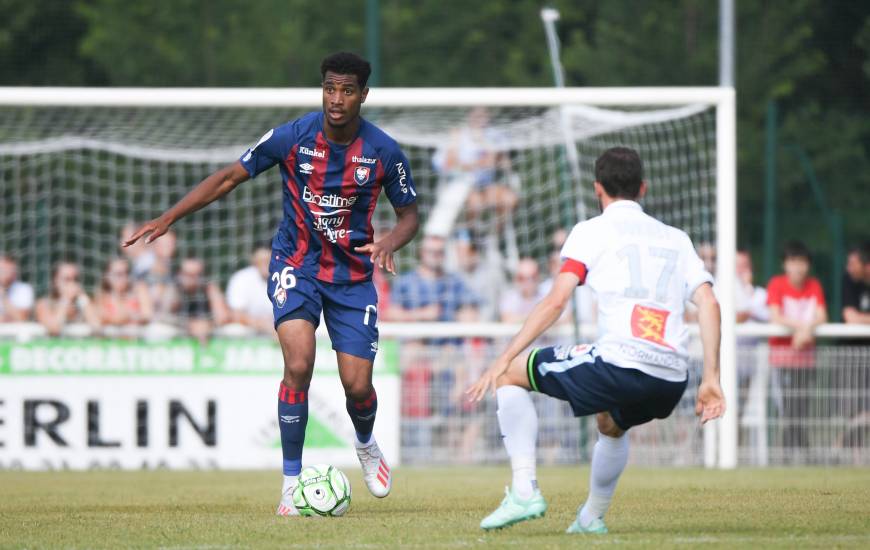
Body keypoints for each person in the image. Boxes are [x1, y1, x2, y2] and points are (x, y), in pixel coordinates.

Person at [124, 52, 419, 516]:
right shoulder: (294, 137)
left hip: (352, 276)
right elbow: (227, 179)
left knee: (357, 385)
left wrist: (390, 243)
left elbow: (410, 214)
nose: (336, 99)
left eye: (347, 90)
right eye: (329, 88)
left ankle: (365, 442)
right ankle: (290, 484)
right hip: (296, 265)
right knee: (299, 364)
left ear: (363, 95)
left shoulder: (383, 151)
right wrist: (168, 217)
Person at [467, 147, 724, 534]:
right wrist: (711, 379)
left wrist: (502, 358)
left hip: (620, 364)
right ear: (643, 188)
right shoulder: (677, 238)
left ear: (597, 189)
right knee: (609, 423)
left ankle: (523, 490)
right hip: (671, 379)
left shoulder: (590, 231)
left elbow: (556, 301)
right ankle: (590, 519)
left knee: (510, 376)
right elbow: (708, 302)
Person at [766, 241, 827, 455]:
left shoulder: (814, 286)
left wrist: (805, 330)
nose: (798, 267)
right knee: (788, 410)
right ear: (785, 264)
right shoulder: (777, 284)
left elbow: (821, 315)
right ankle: (794, 451)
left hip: (805, 359)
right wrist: (802, 328)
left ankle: (797, 452)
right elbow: (776, 315)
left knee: (801, 408)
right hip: (783, 359)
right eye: (793, 261)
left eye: (801, 262)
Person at [432, 106, 518, 229]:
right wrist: (468, 164)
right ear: (469, 116)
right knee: (475, 203)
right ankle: (471, 236)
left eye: (483, 115)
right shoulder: (457, 135)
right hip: (461, 185)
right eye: (477, 115)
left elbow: (495, 160)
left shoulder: (494, 135)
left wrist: (482, 143)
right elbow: (443, 164)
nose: (480, 119)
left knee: (510, 200)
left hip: (486, 186)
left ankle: (492, 238)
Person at [389, 236, 478, 324]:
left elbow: (471, 309)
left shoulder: (455, 282)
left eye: (439, 252)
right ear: (422, 252)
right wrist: (421, 314)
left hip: (449, 336)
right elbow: (390, 314)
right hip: (417, 336)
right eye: (431, 252)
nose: (435, 255)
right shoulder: (405, 282)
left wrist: (465, 315)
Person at [35, 261, 100, 336]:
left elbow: (97, 326)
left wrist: (83, 299)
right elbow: (54, 329)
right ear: (54, 281)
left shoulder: (84, 303)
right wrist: (65, 299)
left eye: (75, 279)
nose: (72, 284)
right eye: (67, 279)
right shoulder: (43, 304)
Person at [173, 257, 228, 344]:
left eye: (196, 275)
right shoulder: (174, 289)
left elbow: (223, 316)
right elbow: (160, 316)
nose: (191, 279)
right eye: (187, 274)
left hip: (206, 330)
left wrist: (208, 324)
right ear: (179, 274)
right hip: (179, 331)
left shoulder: (208, 288)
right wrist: (189, 324)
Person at [95, 257, 153, 334]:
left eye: (126, 273)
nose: (124, 277)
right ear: (107, 276)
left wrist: (120, 318)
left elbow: (147, 316)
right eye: (119, 274)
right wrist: (128, 316)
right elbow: (100, 320)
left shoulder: (139, 290)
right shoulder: (102, 295)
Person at [225, 246, 275, 335]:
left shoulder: (284, 278)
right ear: (254, 261)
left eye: (267, 260)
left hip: (279, 326)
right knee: (234, 330)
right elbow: (236, 314)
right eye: (261, 261)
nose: (265, 265)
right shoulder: (241, 278)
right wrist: (263, 325)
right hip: (251, 328)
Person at [499, 258, 544, 323]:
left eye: (533, 277)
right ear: (516, 278)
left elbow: (558, 319)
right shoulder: (509, 297)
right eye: (521, 278)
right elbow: (506, 319)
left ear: (538, 277)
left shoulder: (546, 296)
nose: (527, 282)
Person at [0, 254, 34, 322]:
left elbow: (21, 318)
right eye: (2, 270)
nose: (6, 273)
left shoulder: (24, 289)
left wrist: (3, 295)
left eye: (9, 270)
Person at [842, 244, 870, 324]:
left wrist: (860, 318)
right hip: (854, 336)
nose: (848, 269)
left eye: (853, 264)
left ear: (868, 266)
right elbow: (850, 317)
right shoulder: (848, 279)